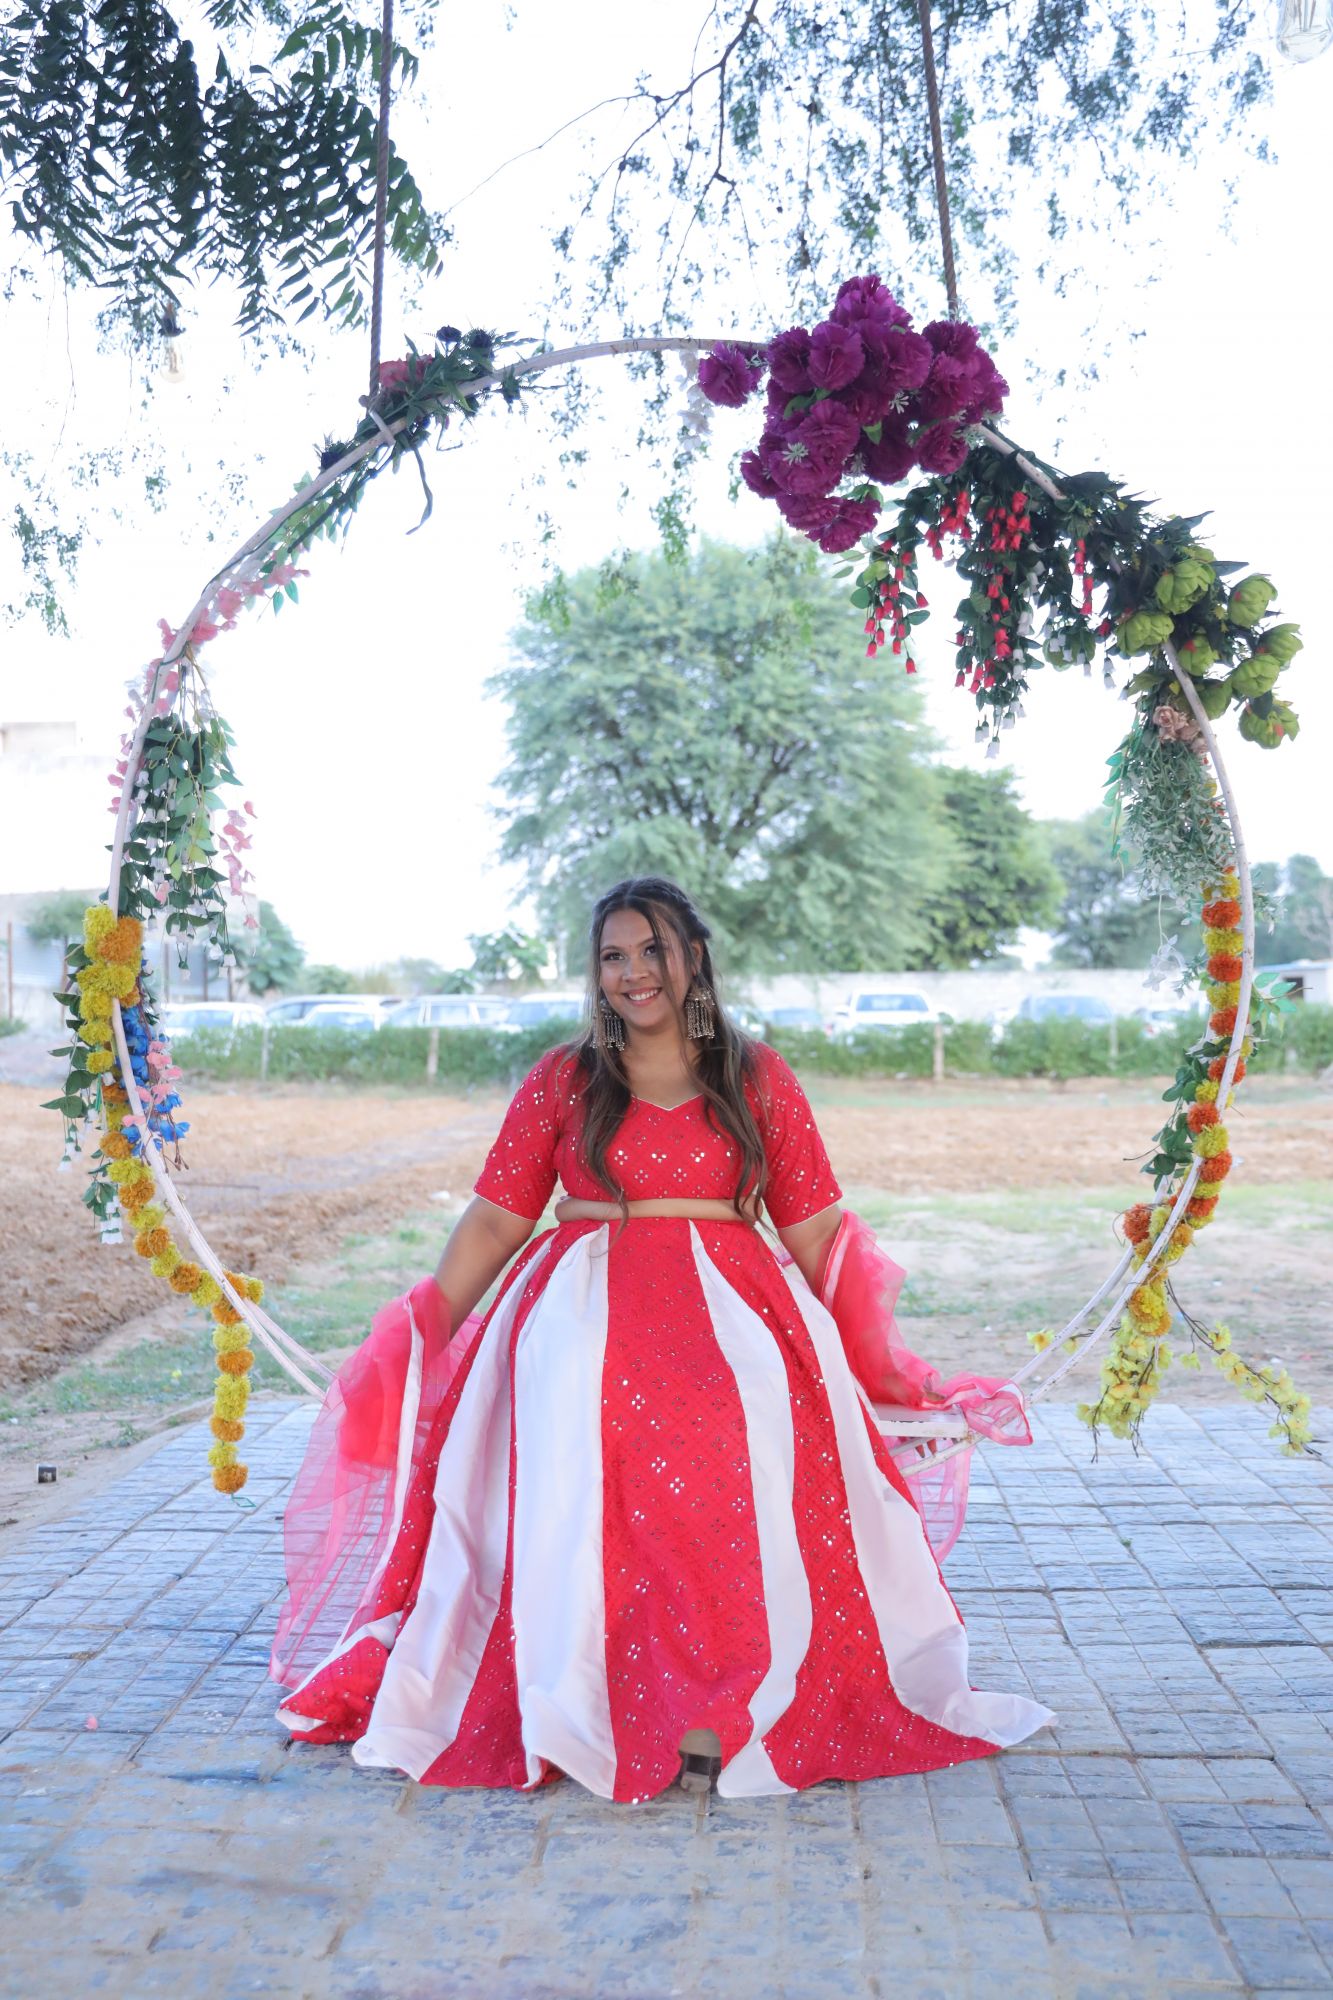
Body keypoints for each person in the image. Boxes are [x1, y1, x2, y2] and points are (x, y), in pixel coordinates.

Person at [271, 876, 1053, 1800]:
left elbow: (815, 1235)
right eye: (614, 955)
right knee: (586, 1455)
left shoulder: (755, 1076)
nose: (635, 972)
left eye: (655, 950)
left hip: (733, 1321)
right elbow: (494, 1222)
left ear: (694, 960)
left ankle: (717, 1703)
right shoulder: (565, 1079)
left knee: (736, 1450)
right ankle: (592, 1699)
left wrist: (884, 1360)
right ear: (595, 974)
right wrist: (420, 1333)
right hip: (576, 1320)